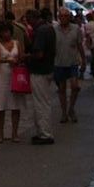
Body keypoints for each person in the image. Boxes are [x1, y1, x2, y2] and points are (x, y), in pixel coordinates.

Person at [0, 20, 24, 142]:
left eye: (8, 31)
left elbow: (21, 57)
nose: (6, 34)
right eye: (4, 32)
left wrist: (18, 61)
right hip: (1, 78)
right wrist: (6, 60)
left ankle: (15, 133)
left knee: (15, 106)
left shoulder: (17, 43)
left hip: (14, 76)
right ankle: (0, 133)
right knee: (0, 106)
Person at [27, 8, 56, 144]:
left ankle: (44, 133)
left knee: (41, 103)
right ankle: (43, 131)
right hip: (48, 68)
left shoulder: (40, 31)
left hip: (40, 70)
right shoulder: (49, 28)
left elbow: (39, 53)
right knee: (44, 101)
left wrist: (26, 56)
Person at [53, 6, 86, 123]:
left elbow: (80, 45)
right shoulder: (54, 29)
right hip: (59, 62)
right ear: (58, 18)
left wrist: (83, 60)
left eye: (66, 16)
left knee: (75, 87)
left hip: (72, 62)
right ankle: (64, 112)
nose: (63, 18)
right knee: (61, 89)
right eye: (61, 16)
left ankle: (71, 108)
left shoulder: (76, 29)